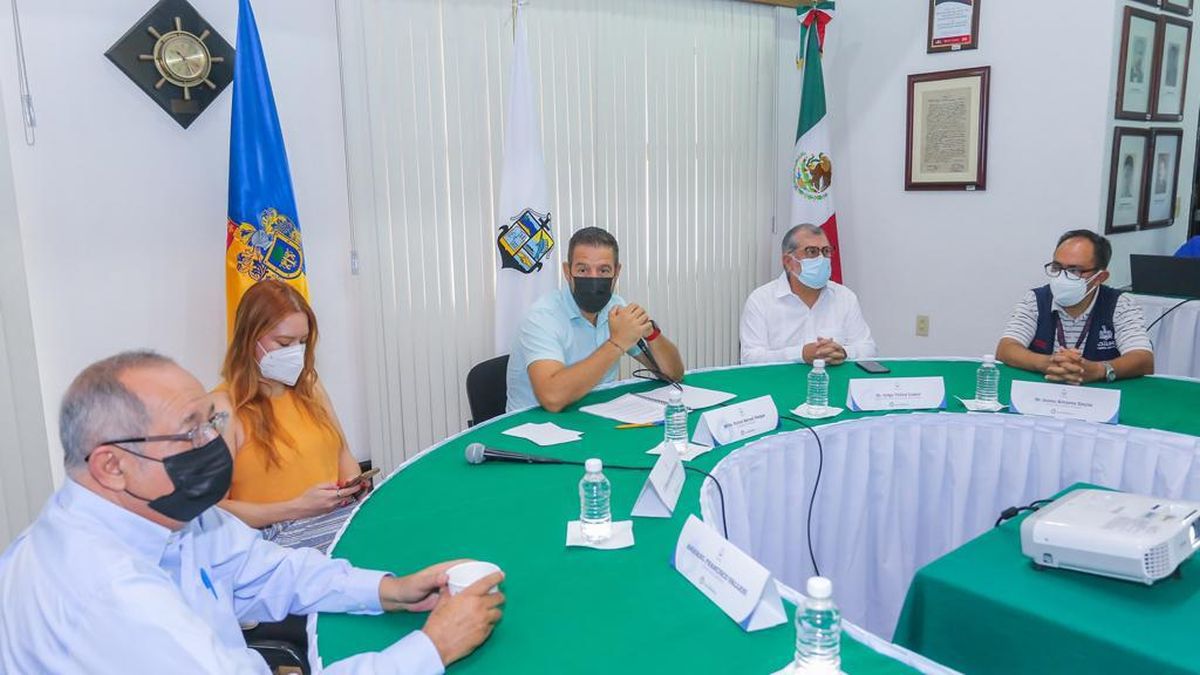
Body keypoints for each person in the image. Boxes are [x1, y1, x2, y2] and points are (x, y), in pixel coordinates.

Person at [0, 351, 504, 673]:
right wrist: (431, 649)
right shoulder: (106, 593)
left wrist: (388, 590)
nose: (213, 443)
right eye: (191, 431)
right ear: (112, 466)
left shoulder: (167, 513)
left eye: (211, 422)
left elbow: (266, 570)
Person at [215, 280, 362, 553]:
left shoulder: (310, 386)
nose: (296, 352)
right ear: (249, 339)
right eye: (284, 343)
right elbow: (213, 511)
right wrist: (297, 508)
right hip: (273, 537)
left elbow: (343, 455)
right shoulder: (223, 409)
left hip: (335, 519)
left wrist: (353, 487)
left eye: (302, 342)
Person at [506, 226, 685, 412]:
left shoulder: (615, 308)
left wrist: (651, 334)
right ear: (567, 271)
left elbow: (673, 374)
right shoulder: (542, 317)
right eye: (583, 270)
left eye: (603, 270)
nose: (593, 278)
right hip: (534, 424)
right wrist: (616, 343)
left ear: (616, 272)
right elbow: (552, 398)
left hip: (595, 414)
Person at [996, 229, 1154, 384]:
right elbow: (1006, 348)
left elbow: (1143, 359)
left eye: (1075, 270)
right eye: (1057, 267)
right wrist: (1047, 363)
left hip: (1099, 395)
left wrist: (1099, 370)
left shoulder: (1121, 304)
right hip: (1043, 391)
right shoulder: (1035, 300)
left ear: (1100, 277)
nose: (1063, 277)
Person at [740, 223, 876, 365]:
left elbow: (869, 349)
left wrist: (844, 352)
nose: (822, 259)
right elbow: (750, 358)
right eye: (812, 252)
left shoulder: (845, 297)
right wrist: (800, 354)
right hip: (780, 379)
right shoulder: (761, 300)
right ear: (788, 262)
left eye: (826, 251)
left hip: (832, 378)